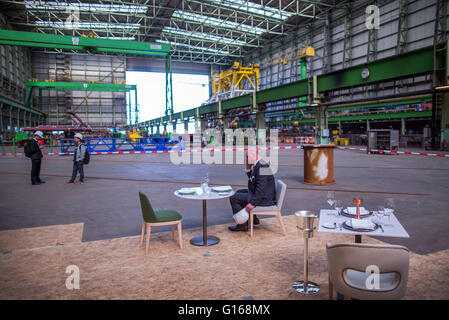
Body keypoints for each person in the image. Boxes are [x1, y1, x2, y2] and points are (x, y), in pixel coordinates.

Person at [228, 149, 276, 232]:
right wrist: (248, 167)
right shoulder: (259, 164)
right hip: (264, 195)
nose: (246, 159)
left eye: (247, 157)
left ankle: (242, 225)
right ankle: (253, 218)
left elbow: (261, 188)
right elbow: (253, 179)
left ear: (253, 155)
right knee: (239, 192)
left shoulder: (262, 166)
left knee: (233, 197)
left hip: (265, 199)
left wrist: (253, 203)